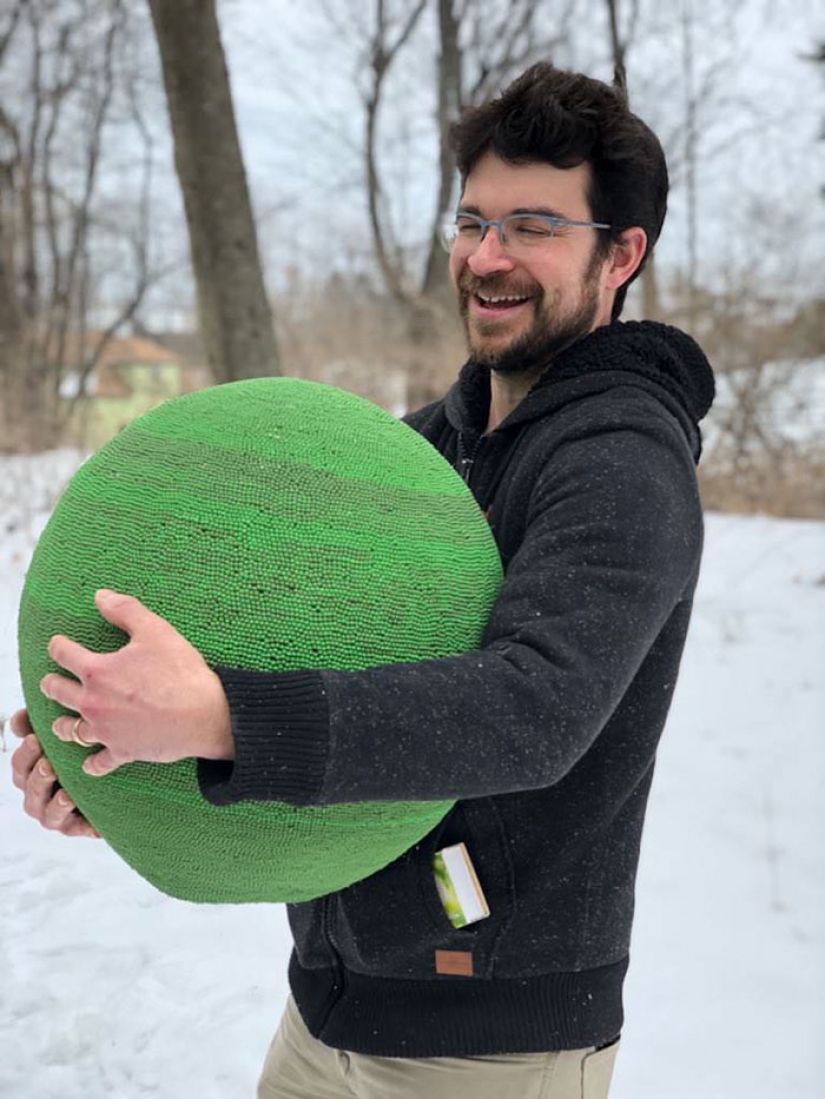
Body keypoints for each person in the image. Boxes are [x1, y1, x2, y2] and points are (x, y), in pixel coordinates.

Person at [11, 63, 714, 1099]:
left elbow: (534, 708)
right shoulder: (423, 451)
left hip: (492, 1043)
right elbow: (300, 660)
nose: (488, 255)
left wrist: (223, 718)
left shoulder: (623, 462)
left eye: (535, 225)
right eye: (472, 220)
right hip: (328, 1009)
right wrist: (127, 758)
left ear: (622, 253)